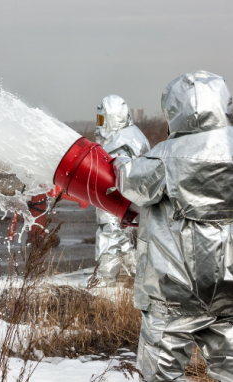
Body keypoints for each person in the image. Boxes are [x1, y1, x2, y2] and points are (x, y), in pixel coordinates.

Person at [114, 71, 233, 382]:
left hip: (174, 292)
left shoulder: (164, 157)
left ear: (174, 110)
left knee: (159, 374)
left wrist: (117, 163)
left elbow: (129, 184)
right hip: (230, 290)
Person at [80, 95, 150, 288]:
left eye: (103, 119)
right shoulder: (132, 135)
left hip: (115, 198)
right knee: (123, 237)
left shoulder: (121, 140)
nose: (100, 124)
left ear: (112, 118)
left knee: (109, 233)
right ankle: (136, 275)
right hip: (128, 200)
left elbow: (116, 171)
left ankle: (106, 278)